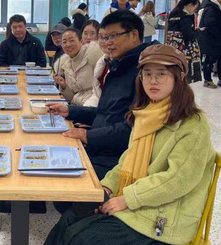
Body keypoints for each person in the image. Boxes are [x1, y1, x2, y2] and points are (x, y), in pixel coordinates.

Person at [35, 44, 216, 245]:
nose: (153, 81)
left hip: (166, 212)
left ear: (179, 78)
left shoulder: (192, 124)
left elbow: (177, 181)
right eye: (147, 74)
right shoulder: (148, 113)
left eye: (162, 74)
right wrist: (107, 186)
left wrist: (126, 199)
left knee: (85, 240)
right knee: (72, 218)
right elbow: (127, 159)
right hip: (141, 198)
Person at [48, 11, 152, 180]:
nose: (106, 43)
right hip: (98, 148)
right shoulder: (116, 67)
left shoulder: (146, 72)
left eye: (113, 36)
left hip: (116, 160)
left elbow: (135, 129)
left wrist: (88, 136)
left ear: (134, 35)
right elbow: (103, 113)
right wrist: (69, 111)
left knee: (55, 179)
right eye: (103, 38)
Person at [54, 28, 104, 106]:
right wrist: (64, 85)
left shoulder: (94, 56)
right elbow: (70, 97)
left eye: (71, 40)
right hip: (76, 105)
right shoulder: (64, 64)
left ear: (81, 41)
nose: (68, 45)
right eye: (64, 42)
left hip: (94, 104)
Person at [166, 0, 202, 83]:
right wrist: (197, 32)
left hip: (172, 47)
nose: (194, 11)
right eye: (195, 8)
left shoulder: (173, 14)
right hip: (184, 48)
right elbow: (188, 35)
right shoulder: (186, 17)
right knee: (184, 70)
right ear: (190, 5)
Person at [83, 26, 109, 107]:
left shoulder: (97, 56)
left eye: (109, 37)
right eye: (101, 37)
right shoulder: (102, 61)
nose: (88, 37)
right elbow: (96, 95)